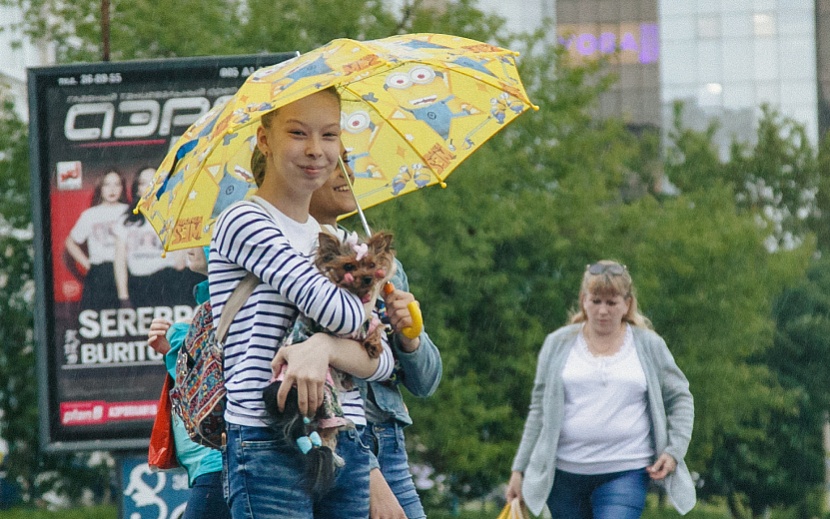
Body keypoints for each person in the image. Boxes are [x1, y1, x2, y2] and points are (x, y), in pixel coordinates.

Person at [209, 87, 394, 519]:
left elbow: (384, 362)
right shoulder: (244, 221)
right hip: (266, 439)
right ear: (264, 139)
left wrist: (323, 349)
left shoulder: (337, 241)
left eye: (329, 136)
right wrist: (355, 331)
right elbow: (340, 313)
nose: (315, 150)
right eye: (297, 133)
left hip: (346, 438)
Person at [308, 145, 442, 519]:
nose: (343, 173)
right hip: (337, 441)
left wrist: (409, 336)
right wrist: (366, 469)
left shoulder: (380, 264)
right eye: (331, 163)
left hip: (389, 438)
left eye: (347, 162)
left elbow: (427, 381)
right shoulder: (294, 262)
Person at [505, 261, 695, 518]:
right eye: (596, 301)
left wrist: (674, 451)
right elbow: (538, 410)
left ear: (627, 304)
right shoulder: (558, 343)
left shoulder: (649, 345)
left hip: (627, 470)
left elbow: (680, 397)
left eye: (611, 302)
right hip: (563, 475)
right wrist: (520, 469)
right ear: (584, 301)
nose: (603, 310)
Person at [147, 246, 230, 519]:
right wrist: (176, 349)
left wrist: (179, 344)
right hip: (211, 467)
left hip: (218, 464)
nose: (190, 246)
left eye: (202, 236)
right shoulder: (211, 304)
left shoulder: (226, 303)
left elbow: (208, 381)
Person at [114, 167, 199, 308]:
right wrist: (123, 296)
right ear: (137, 189)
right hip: (138, 285)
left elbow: (180, 264)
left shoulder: (173, 217)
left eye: (154, 181)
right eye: (143, 183)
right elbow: (119, 261)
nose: (150, 187)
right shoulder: (126, 220)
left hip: (169, 284)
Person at [65, 169, 129, 311]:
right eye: (107, 184)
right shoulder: (90, 215)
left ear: (122, 187)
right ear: (100, 187)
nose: (112, 189)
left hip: (126, 270)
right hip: (99, 274)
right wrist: (88, 265)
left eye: (117, 184)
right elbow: (70, 242)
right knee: (97, 316)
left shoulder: (130, 211)